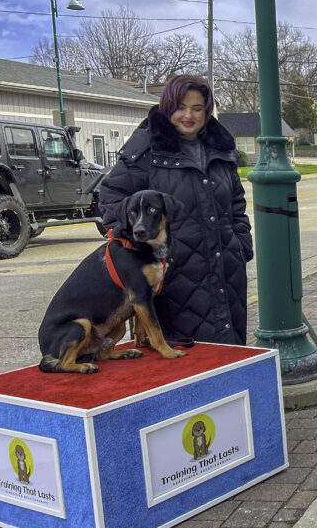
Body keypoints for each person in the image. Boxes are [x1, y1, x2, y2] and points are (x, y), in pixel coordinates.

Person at [99, 74, 253, 346]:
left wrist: (241, 245)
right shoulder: (147, 149)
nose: (188, 115)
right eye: (181, 107)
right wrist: (147, 252)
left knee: (230, 353)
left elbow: (236, 203)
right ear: (168, 107)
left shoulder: (221, 149)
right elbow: (112, 200)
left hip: (227, 270)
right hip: (173, 279)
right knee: (186, 361)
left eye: (197, 108)